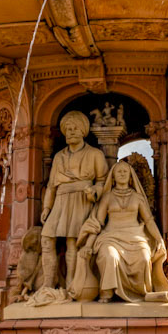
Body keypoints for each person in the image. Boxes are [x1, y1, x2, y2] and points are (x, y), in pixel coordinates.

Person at [78, 158, 168, 303]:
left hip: (135, 239)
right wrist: (88, 245)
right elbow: (97, 223)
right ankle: (107, 292)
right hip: (110, 238)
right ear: (113, 176)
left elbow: (148, 221)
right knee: (110, 256)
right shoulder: (107, 197)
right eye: (119, 171)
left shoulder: (137, 197)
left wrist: (160, 240)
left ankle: (142, 293)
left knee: (144, 257)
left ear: (130, 176)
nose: (122, 174)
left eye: (125, 171)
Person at [38, 111, 108, 295]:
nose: (70, 132)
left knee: (73, 242)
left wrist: (94, 192)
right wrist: (47, 207)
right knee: (46, 239)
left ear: (83, 131)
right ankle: (47, 284)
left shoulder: (95, 154)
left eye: (75, 129)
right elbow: (52, 186)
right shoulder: (59, 157)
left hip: (81, 200)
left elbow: (103, 181)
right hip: (60, 200)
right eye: (68, 129)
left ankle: (72, 284)